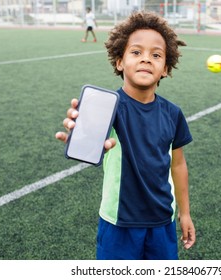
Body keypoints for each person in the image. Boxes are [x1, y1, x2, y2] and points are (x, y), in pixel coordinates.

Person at [56, 11, 195, 260]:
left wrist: (184, 213)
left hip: (163, 219)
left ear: (165, 68)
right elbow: (88, 135)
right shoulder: (107, 106)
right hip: (118, 221)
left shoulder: (173, 113)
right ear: (120, 62)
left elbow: (178, 163)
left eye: (156, 55)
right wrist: (78, 130)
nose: (146, 59)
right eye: (136, 52)